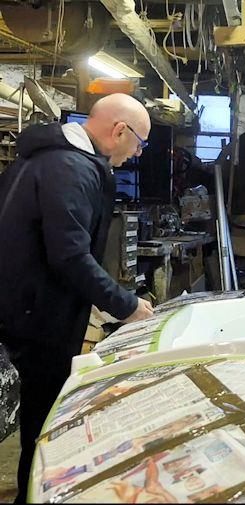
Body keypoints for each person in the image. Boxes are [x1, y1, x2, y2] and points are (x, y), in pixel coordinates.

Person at [0, 93, 155, 502]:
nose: (137, 153)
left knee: (34, 415)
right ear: (119, 130)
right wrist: (125, 305)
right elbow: (69, 255)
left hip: (21, 305)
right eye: (139, 142)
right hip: (38, 319)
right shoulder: (69, 169)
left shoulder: (43, 157)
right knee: (42, 422)